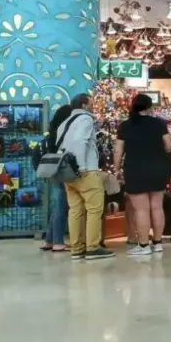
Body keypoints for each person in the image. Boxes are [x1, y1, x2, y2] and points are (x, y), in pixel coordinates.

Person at [113, 94, 171, 257]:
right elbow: (168, 145)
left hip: (135, 168)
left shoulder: (125, 126)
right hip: (158, 168)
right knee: (157, 207)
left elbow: (118, 149)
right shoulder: (159, 124)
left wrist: (116, 168)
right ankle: (158, 243)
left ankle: (144, 245)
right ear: (149, 107)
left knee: (141, 209)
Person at [57, 94, 113, 260]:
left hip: (67, 172)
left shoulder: (64, 123)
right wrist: (80, 167)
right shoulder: (85, 119)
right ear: (84, 105)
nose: (93, 106)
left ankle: (77, 248)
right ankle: (93, 247)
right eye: (91, 103)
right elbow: (80, 141)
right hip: (85, 170)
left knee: (75, 210)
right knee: (94, 210)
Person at [41, 103, 72, 253]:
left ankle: (49, 240)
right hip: (61, 170)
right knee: (61, 206)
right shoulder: (62, 132)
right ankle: (58, 242)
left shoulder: (51, 132)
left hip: (51, 170)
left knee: (57, 206)